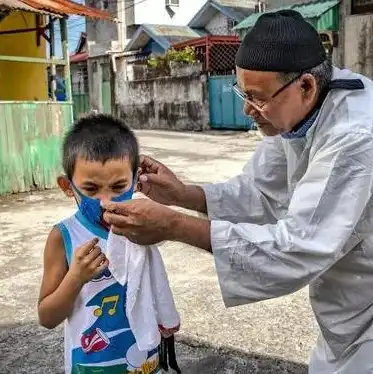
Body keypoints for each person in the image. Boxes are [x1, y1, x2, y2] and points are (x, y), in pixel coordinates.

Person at [101, 10, 373, 374]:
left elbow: (299, 246)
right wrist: (183, 194)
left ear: (306, 85)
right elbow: (259, 191)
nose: (248, 109)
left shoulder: (355, 135)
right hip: (347, 307)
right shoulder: (302, 111)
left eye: (257, 98)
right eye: (243, 94)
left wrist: (173, 226)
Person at [38, 114, 167, 374]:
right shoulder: (63, 237)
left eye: (119, 186)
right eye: (91, 188)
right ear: (67, 186)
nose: (106, 200)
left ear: (136, 178)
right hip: (90, 364)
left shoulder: (141, 226)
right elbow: (47, 317)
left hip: (143, 359)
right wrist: (76, 277)